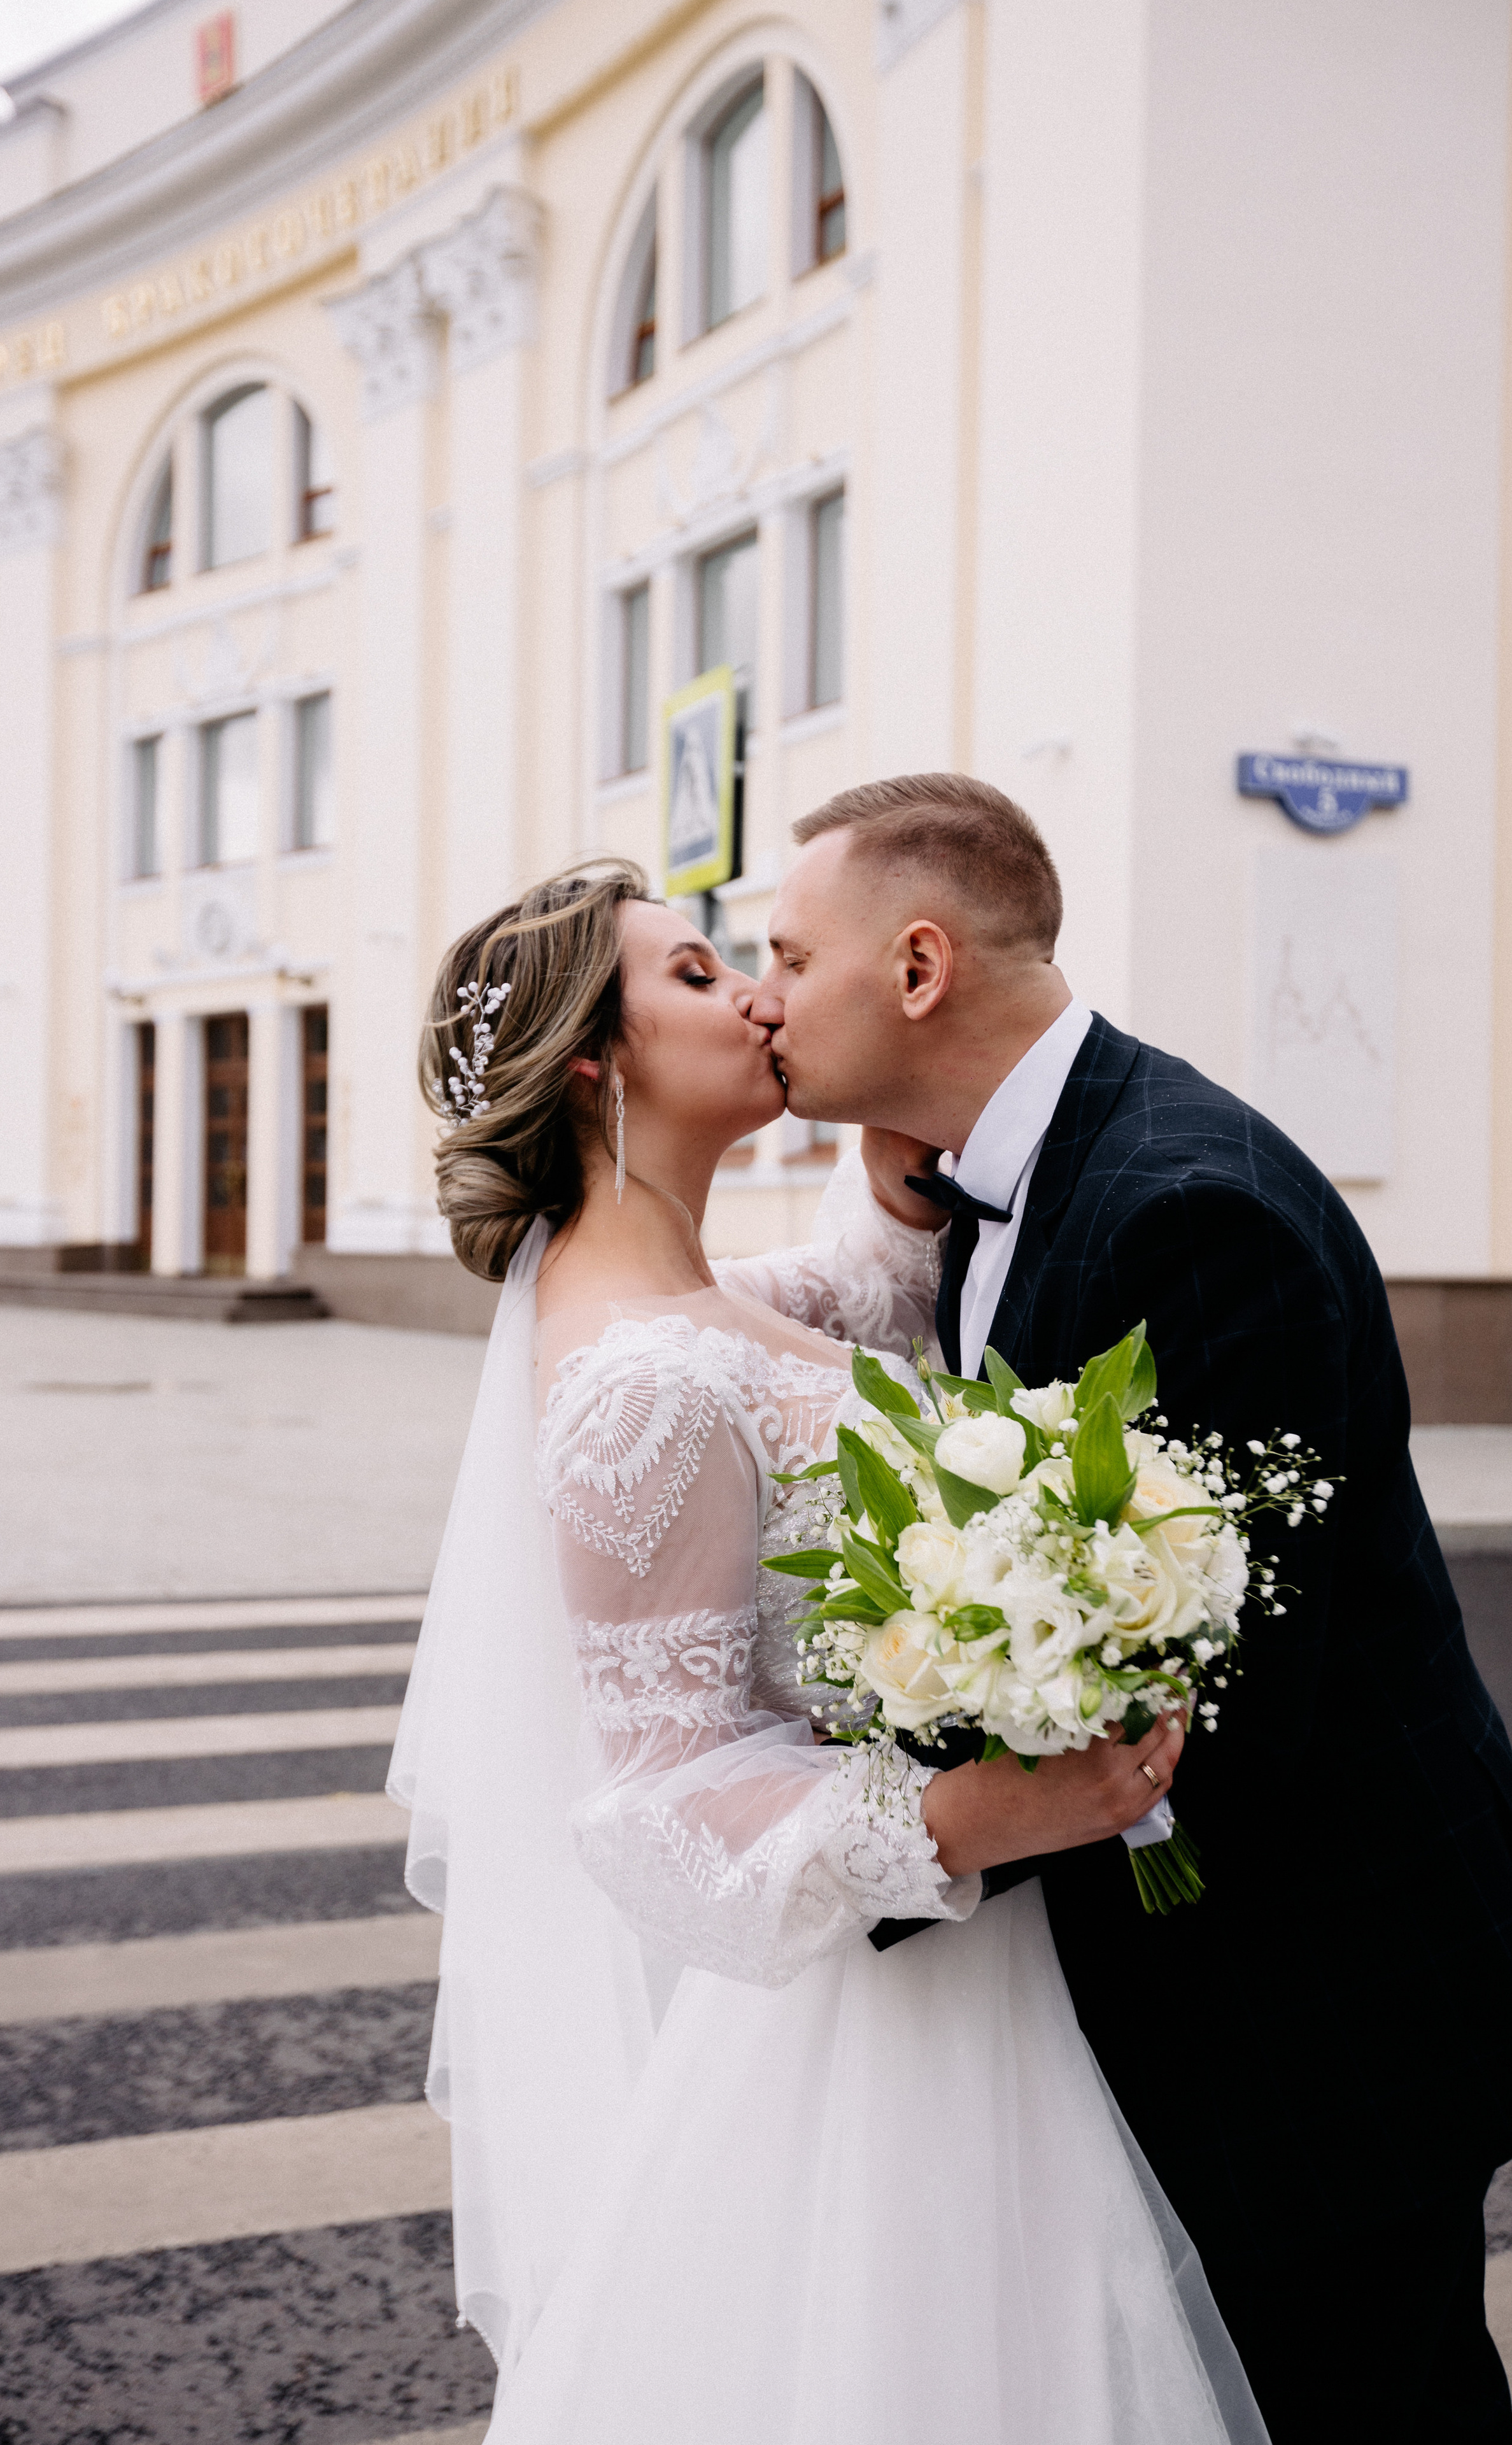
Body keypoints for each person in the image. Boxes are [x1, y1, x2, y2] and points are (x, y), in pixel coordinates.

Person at [390, 860, 1268, 2443]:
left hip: (967, 1982)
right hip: (874, 2028)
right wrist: (960, 1820)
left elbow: (862, 1291)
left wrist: (893, 1133)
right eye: (698, 975)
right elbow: (658, 1795)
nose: (757, 997)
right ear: (596, 1063)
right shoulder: (634, 1384)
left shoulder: (692, 1295)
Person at [751, 771, 1512, 2443]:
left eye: (789, 956)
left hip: (1319, 2010)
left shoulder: (1190, 1209)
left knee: (1369, 2406)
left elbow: (1210, 1710)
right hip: (1216, 1979)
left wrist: (870, 1841)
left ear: (923, 966)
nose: (762, 996)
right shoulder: (988, 1172)